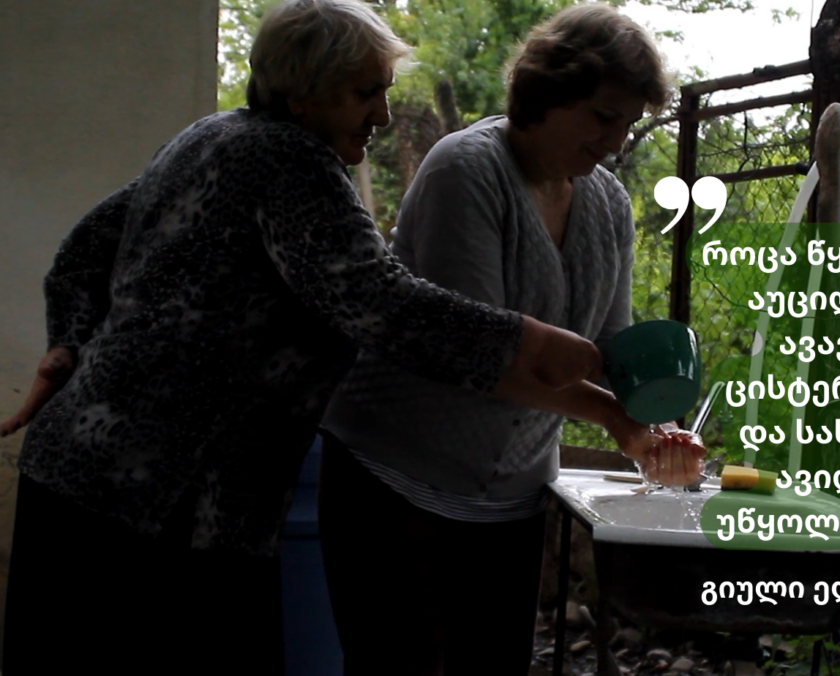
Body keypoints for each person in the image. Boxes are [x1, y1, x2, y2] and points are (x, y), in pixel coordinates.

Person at [0, 1, 603, 674]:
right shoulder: (291, 159)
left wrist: (69, 348)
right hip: (157, 500)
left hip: (79, 478)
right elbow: (374, 301)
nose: (381, 115)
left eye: (383, 92)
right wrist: (527, 340)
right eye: (364, 93)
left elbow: (82, 251)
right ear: (300, 95)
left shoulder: (212, 135)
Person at [317, 5, 705, 674]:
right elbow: (482, 356)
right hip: (393, 481)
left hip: (512, 498)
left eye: (628, 123)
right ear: (549, 92)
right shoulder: (465, 170)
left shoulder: (609, 203)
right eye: (603, 117)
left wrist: (655, 425)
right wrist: (614, 418)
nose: (616, 142)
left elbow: (611, 344)